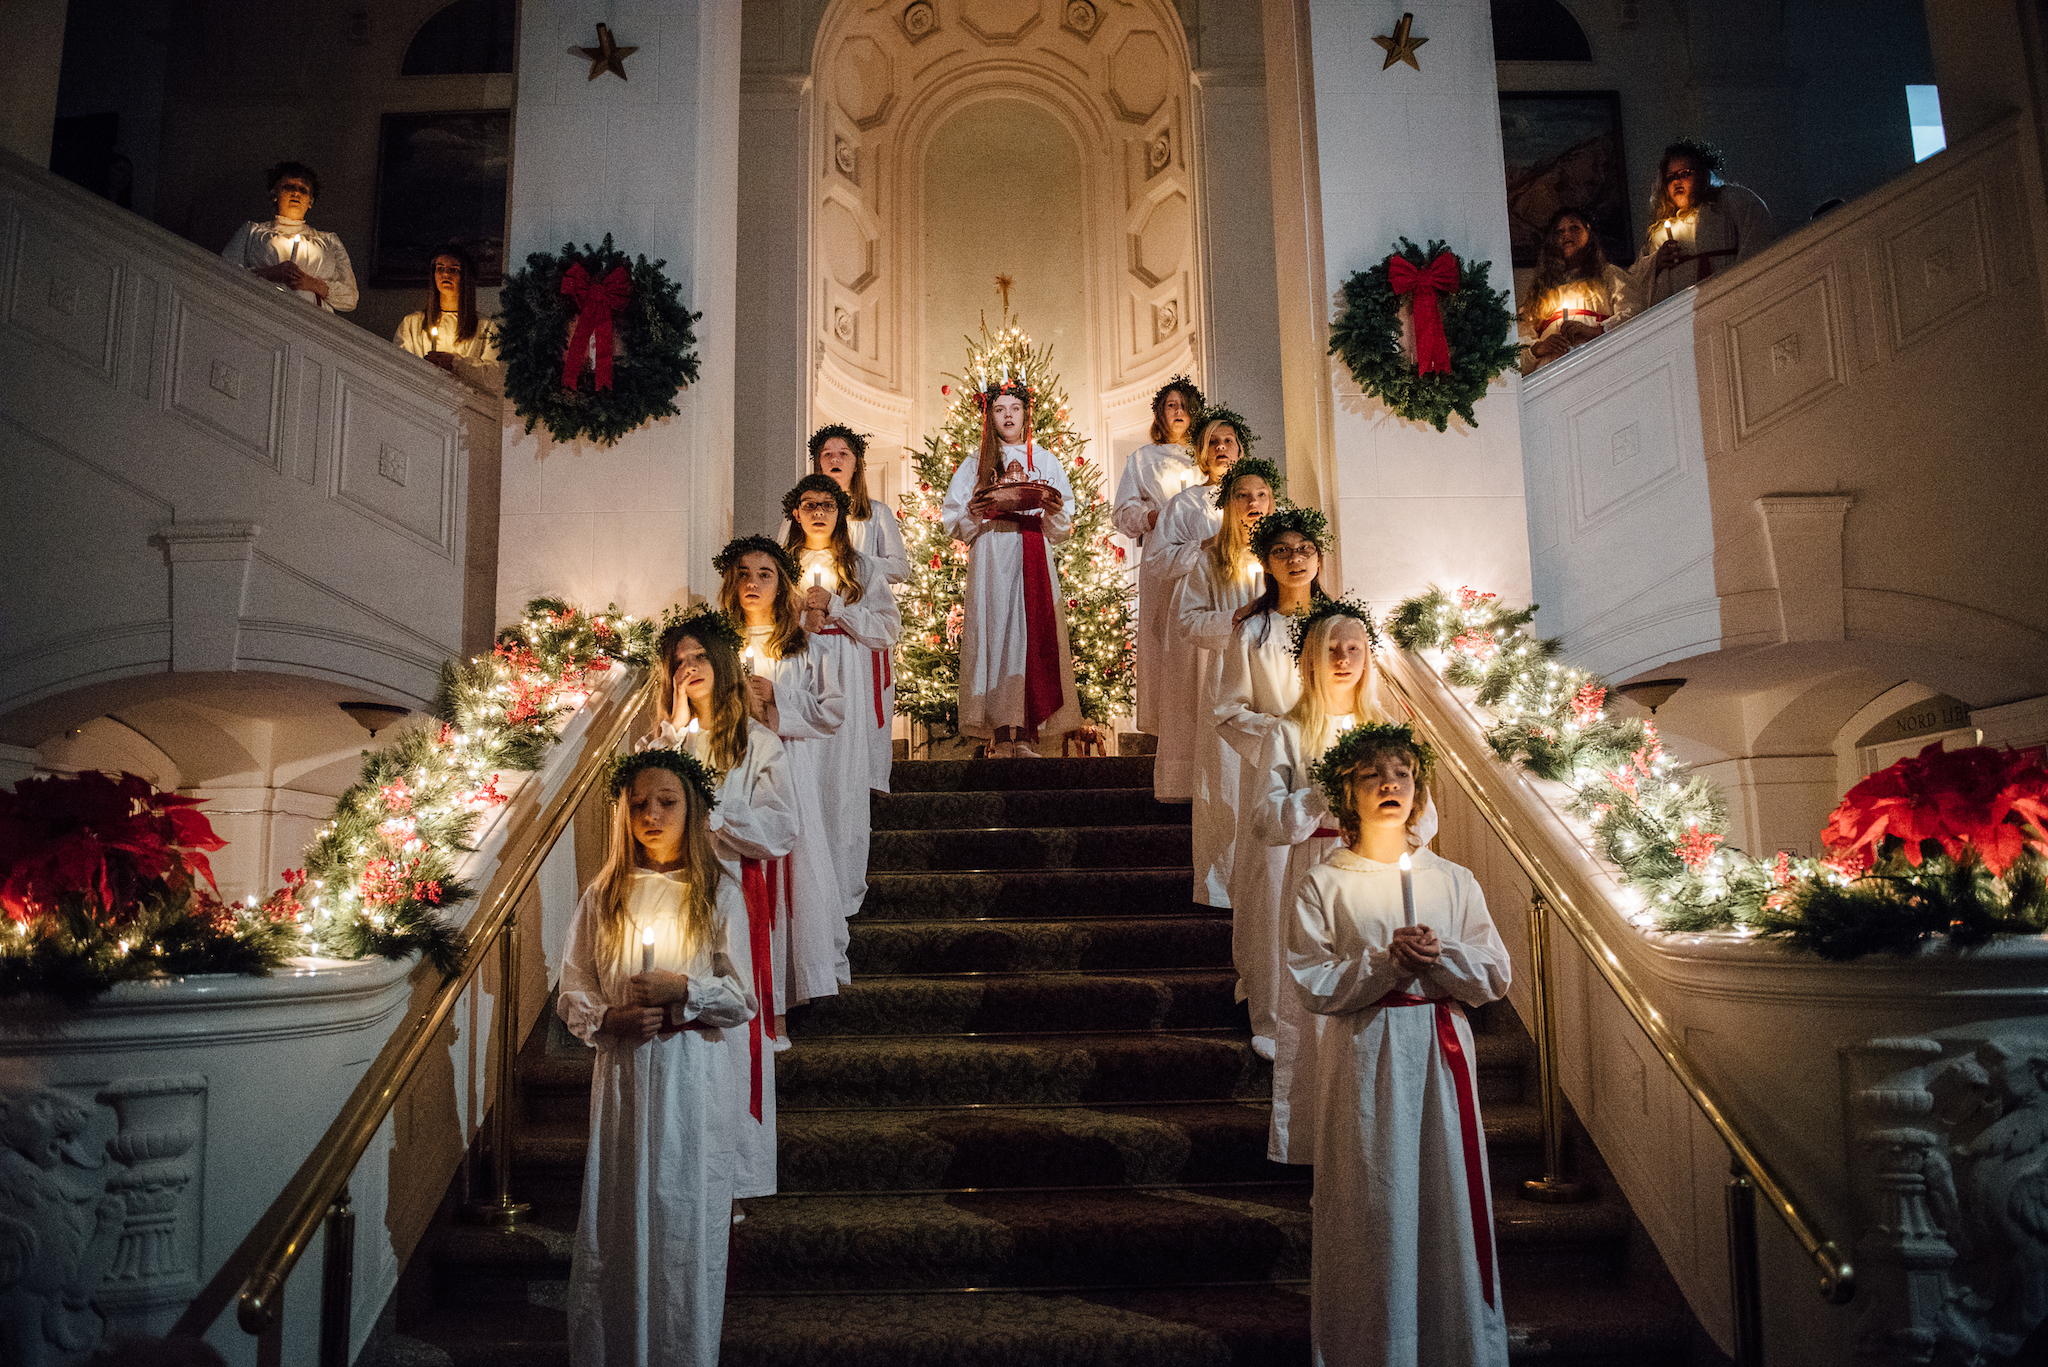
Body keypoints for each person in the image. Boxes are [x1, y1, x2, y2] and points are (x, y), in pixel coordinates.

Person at [1289, 723, 1511, 1367]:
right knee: (1374, 1199)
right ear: (1347, 794)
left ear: (1418, 794)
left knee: (1445, 1196)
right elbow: (1312, 980)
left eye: (1402, 774)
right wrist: (1386, 966)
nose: (1389, 784)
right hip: (1366, 1053)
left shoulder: (1453, 880)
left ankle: (1456, 1344)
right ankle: (1375, 1347)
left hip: (1440, 1053)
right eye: (1370, 775)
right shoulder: (1324, 884)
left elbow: (1495, 974)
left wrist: (1439, 958)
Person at [556, 744, 756, 1367]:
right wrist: (610, 1016)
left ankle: (680, 1348)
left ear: (690, 808)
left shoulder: (716, 890)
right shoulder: (604, 892)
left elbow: (741, 997)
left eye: (666, 801)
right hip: (624, 1075)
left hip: (690, 1079)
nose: (651, 813)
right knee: (620, 1218)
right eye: (638, 803)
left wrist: (684, 989)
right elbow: (574, 987)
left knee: (679, 1216)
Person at [1248, 599, 1439, 1162]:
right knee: (1319, 1004)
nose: (1342, 658)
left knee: (1384, 993)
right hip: (1317, 871)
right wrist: (1322, 795)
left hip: (1380, 876)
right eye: (1331, 648)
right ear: (1310, 658)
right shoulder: (1288, 732)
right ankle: (1319, 1141)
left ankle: (1390, 1134)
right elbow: (1266, 821)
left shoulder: (1389, 731)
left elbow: (1425, 819)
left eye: (1354, 648)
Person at [656, 606, 798, 1196]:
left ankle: (733, 1176)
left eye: (697, 657)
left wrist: (716, 811)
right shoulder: (663, 744)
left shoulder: (758, 743)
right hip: (666, 903)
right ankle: (677, 1167)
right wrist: (676, 739)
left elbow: (783, 828)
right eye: (677, 662)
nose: (688, 668)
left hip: (734, 899)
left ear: (720, 662)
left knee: (730, 1029)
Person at [1214, 505, 1330, 1059]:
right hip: (1279, 771)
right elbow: (1228, 709)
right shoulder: (1255, 630)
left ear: (1319, 558)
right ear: (1266, 563)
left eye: (1303, 550)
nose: (1294, 559)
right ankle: (1274, 1013)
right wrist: (1283, 731)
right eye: (1281, 551)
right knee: (1275, 891)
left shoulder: (1338, 625)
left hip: (1337, 769)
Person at [716, 534, 851, 1009]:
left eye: (765, 574)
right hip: (735, 771)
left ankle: (791, 987)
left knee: (795, 873)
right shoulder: (717, 648)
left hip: (790, 772)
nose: (753, 583)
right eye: (744, 575)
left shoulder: (806, 648)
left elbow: (833, 711)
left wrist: (777, 698)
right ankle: (745, 987)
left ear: (781, 584)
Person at [942, 374, 1083, 757]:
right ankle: (1002, 735)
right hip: (992, 554)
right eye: (1000, 410)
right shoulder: (975, 463)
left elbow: (1063, 522)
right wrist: (973, 512)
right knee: (997, 636)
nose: (1008, 416)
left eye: (1015, 409)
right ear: (990, 418)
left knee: (1029, 637)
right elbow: (953, 518)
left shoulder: (1047, 461)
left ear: (1026, 414)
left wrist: (1052, 511)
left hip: (1032, 549)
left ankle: (1025, 735)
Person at [783, 474, 899, 918]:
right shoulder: (781, 565)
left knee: (842, 783)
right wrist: (799, 618)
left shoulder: (863, 567)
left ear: (840, 512)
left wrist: (837, 607)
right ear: (796, 513)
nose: (818, 512)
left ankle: (842, 890)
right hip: (795, 676)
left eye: (827, 505)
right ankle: (802, 887)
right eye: (809, 504)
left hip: (846, 679)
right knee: (801, 778)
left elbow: (887, 627)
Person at [1171, 454, 1280, 906]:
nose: (1253, 503)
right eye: (1243, 496)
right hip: (1229, 682)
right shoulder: (1213, 558)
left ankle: (1274, 883)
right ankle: (1225, 888)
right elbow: (1187, 620)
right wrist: (1234, 618)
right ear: (1229, 504)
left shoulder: (1287, 553)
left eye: (1262, 495)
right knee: (1226, 787)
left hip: (1279, 682)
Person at [792, 426, 909, 792]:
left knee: (853, 749)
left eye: (843, 453)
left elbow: (899, 570)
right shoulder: (789, 560)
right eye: (827, 453)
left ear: (857, 463)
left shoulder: (873, 519)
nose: (835, 459)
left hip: (854, 646)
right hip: (809, 654)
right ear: (798, 514)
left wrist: (853, 570)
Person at [1149, 407, 1255, 802]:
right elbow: (1158, 560)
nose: (1222, 447)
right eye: (1213, 441)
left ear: (1240, 449)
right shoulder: (1185, 504)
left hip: (1246, 600)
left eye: (1228, 440)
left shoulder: (1255, 496)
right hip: (1197, 605)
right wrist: (1207, 546)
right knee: (1193, 694)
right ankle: (1193, 786)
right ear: (1202, 453)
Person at [1112, 374, 1206, 739]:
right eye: (1171, 405)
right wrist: (1154, 517)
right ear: (1160, 415)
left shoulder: (1205, 455)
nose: (1179, 411)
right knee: (1162, 633)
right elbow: (1123, 513)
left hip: (1201, 553)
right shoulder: (1142, 460)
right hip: (1161, 555)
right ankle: (1167, 726)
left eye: (1184, 405)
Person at [1632, 138, 1776, 309]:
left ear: (1702, 173)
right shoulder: (1660, 233)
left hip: (1733, 303)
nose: (1677, 181)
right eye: (1670, 177)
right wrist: (1655, 263)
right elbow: (1633, 282)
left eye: (1685, 173)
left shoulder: (1734, 201)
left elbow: (1758, 244)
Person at [219, 162, 358, 313]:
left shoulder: (329, 242)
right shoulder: (251, 232)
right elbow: (224, 275)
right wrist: (269, 274)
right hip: (260, 314)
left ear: (310, 201)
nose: (296, 193)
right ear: (274, 194)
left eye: (302, 189)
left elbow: (350, 298)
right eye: (288, 187)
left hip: (312, 324)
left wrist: (312, 284)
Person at [1519, 206, 1639, 372]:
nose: (1566, 235)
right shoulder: (1540, 291)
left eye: (1574, 228)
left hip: (1600, 361)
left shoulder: (1609, 274)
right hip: (1551, 370)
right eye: (1559, 232)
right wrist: (1539, 348)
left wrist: (1594, 331)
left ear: (1588, 232)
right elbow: (1517, 340)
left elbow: (1634, 313)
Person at [394, 244, 499, 369]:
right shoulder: (411, 324)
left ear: (466, 278)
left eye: (454, 269)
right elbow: (398, 365)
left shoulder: (486, 328)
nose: (446, 274)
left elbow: (494, 375)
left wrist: (457, 364)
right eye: (440, 268)